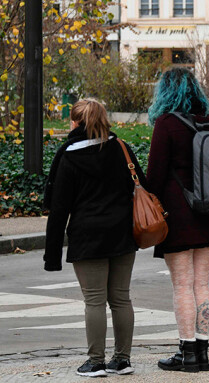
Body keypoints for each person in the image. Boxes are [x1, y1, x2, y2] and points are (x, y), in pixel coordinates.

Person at [44, 99, 143, 377]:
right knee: (121, 299)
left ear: (76, 122)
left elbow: (59, 208)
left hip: (88, 238)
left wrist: (52, 255)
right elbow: (142, 185)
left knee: (95, 301)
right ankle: (122, 360)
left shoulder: (69, 156)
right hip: (123, 234)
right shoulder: (121, 148)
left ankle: (95, 361)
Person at [146, 68, 209, 373]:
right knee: (202, 283)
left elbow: (154, 177)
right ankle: (203, 352)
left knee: (182, 285)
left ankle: (186, 351)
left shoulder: (167, 124)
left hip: (179, 215)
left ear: (165, 92)